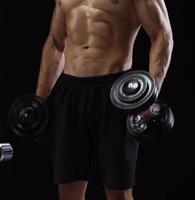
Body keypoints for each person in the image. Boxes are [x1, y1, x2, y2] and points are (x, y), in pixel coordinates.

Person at [35, 0, 173, 199]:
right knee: (68, 190)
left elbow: (162, 35)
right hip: (69, 93)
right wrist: (40, 99)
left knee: (118, 191)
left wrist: (148, 95)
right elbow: (55, 44)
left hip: (116, 94)